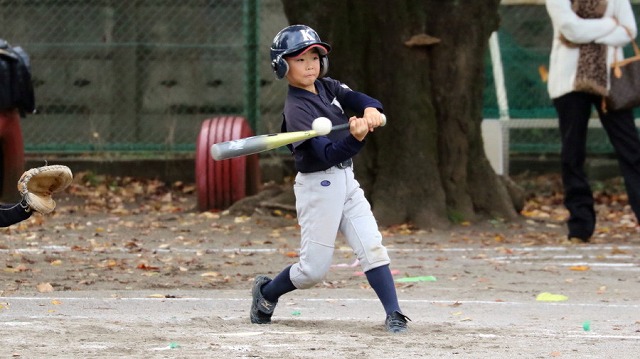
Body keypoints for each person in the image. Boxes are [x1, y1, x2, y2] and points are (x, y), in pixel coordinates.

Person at [250, 24, 410, 333]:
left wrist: (370, 109)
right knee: (312, 271)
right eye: (299, 59)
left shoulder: (327, 86)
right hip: (317, 187)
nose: (309, 64)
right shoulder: (296, 108)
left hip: (346, 180)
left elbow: (357, 97)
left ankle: (394, 313)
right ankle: (267, 293)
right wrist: (358, 138)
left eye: (314, 56)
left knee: (372, 246)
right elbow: (326, 155)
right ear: (282, 66)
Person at [545, 0, 640, 242]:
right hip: (569, 82)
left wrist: (584, 32)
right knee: (572, 153)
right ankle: (580, 226)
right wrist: (609, 25)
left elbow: (628, 31)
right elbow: (570, 30)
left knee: (631, 150)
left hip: (611, 82)